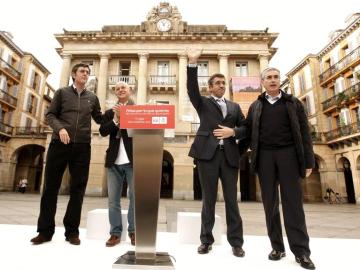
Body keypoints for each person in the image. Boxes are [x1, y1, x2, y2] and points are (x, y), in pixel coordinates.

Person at [241, 67, 316, 269]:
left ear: (279, 80)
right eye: (269, 78)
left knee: (293, 204)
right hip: (264, 156)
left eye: (276, 77)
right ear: (263, 82)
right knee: (270, 204)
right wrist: (233, 154)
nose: (273, 80)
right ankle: (277, 247)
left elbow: (304, 133)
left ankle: (301, 252)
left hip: (289, 155)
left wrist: (309, 161)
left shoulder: (293, 103)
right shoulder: (256, 106)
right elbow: (248, 133)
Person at [30, 63, 104, 245]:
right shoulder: (62, 93)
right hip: (59, 144)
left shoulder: (92, 98)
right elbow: (50, 115)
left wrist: (117, 112)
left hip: (82, 146)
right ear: (73, 74)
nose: (85, 74)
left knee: (78, 190)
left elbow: (100, 118)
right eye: (82, 71)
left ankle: (72, 232)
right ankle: (45, 232)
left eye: (87, 72)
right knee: (50, 189)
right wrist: (60, 128)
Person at [186, 48, 246, 257]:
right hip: (207, 156)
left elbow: (246, 128)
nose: (221, 85)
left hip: (229, 156)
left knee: (232, 201)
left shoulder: (235, 107)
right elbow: (192, 89)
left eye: (223, 83)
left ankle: (236, 243)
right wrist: (192, 63)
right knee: (208, 200)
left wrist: (233, 132)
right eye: (217, 83)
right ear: (210, 87)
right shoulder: (202, 103)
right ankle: (205, 241)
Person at [99, 81, 135, 247]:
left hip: (132, 160)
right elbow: (102, 131)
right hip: (113, 161)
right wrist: (115, 119)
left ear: (130, 90)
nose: (121, 90)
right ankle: (115, 233)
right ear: (115, 92)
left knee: (134, 198)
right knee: (113, 200)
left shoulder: (138, 111)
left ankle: (134, 232)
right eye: (118, 88)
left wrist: (127, 117)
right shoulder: (109, 113)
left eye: (124, 87)